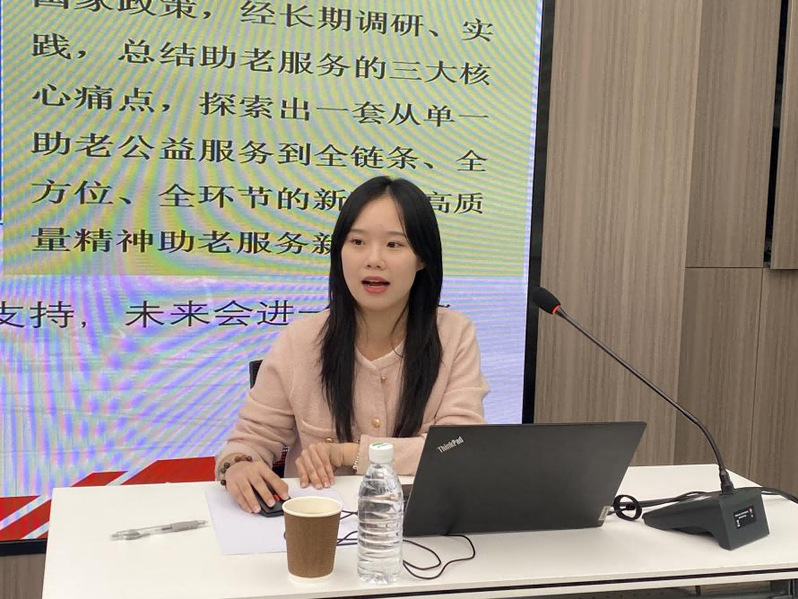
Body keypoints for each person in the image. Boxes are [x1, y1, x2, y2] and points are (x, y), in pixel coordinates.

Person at [217, 176, 489, 514]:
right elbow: (250, 441)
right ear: (339, 252)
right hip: (319, 528)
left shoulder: (454, 335)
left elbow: (457, 447)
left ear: (422, 258)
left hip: (423, 524)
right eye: (357, 241)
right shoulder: (300, 341)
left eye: (394, 244)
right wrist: (238, 466)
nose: (374, 259)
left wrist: (349, 453)